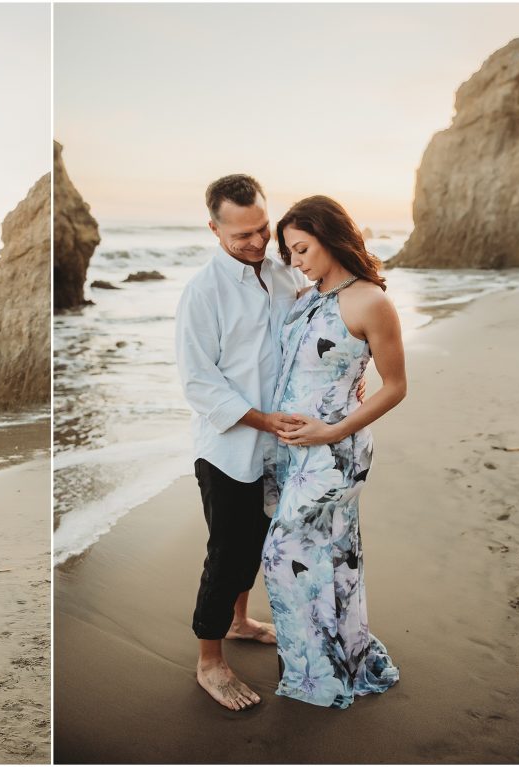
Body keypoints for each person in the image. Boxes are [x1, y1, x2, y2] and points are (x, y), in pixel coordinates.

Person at [174, 174, 314, 711]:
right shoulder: (202, 292)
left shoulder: (283, 272)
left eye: (262, 229)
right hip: (228, 449)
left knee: (259, 540)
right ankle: (209, 660)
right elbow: (198, 382)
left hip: (280, 443)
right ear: (214, 230)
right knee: (227, 552)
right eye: (241, 236)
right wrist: (262, 420)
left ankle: (239, 621)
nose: (257, 242)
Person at [261, 195, 406, 708]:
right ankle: (342, 656)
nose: (295, 261)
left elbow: (396, 386)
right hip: (292, 452)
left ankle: (316, 674)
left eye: (302, 248)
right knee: (331, 555)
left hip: (336, 454)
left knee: (281, 557)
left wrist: (332, 430)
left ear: (330, 236)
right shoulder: (307, 296)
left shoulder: (371, 302)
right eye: (289, 253)